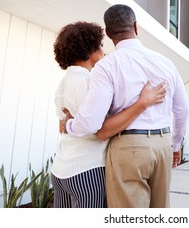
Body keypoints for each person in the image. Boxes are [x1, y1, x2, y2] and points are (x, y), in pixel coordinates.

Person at [64, 4, 189, 208]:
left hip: (128, 147)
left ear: (108, 34)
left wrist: (68, 124)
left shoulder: (107, 66)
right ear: (136, 27)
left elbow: (90, 123)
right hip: (162, 145)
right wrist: (176, 146)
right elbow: (182, 110)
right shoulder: (166, 62)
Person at [52, 21, 167, 208]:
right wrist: (143, 102)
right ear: (89, 50)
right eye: (101, 45)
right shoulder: (88, 81)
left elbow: (61, 126)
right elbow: (103, 129)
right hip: (86, 170)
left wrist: (70, 124)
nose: (104, 51)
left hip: (60, 171)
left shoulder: (64, 82)